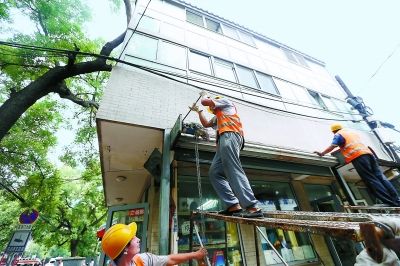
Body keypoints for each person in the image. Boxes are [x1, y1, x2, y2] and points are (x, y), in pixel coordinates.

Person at [189, 91, 262, 218]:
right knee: (215, 172)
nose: (210, 108)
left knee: (233, 169)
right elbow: (206, 124)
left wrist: (204, 95)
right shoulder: (218, 116)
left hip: (230, 136)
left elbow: (205, 101)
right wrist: (199, 112)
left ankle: (253, 207)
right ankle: (233, 206)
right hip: (224, 141)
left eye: (212, 106)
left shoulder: (225, 102)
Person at [314, 123, 400, 207]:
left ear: (333, 131)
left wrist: (322, 153)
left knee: (370, 179)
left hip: (358, 156)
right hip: (369, 154)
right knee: (381, 177)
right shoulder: (351, 133)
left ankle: (389, 202)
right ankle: (397, 200)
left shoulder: (338, 134)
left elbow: (333, 146)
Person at [101, 222, 207, 266]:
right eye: (133, 238)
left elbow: (169, 259)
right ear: (125, 249)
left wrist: (195, 255)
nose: (138, 239)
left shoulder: (141, 260)